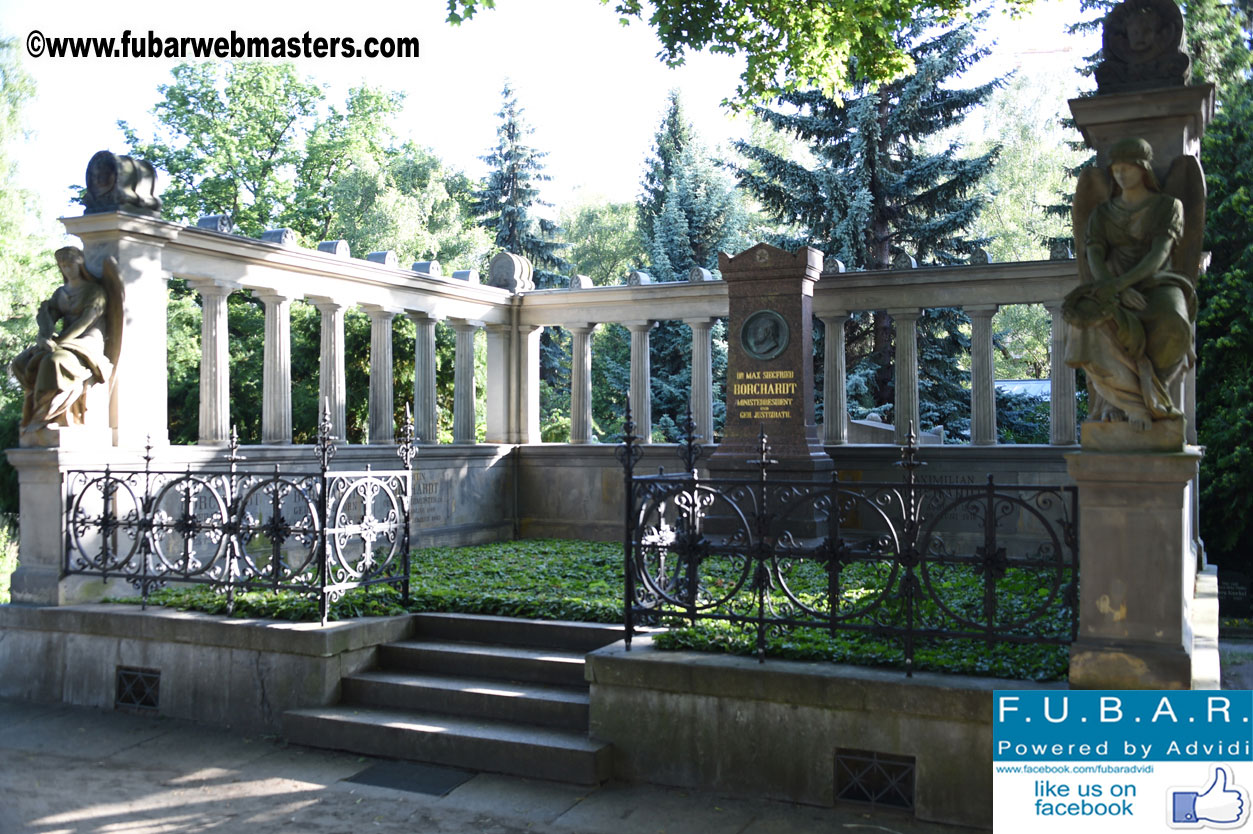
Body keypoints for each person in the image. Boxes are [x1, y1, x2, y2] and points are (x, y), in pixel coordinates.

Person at [1063, 137, 1195, 431]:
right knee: (1085, 323)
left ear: (1144, 169)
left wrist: (1123, 285)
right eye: (1116, 169)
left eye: (1128, 167)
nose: (1121, 174)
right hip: (1110, 282)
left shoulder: (1167, 205)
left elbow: (1159, 254)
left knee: (1173, 322)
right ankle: (1124, 402)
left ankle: (1154, 397)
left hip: (1157, 280)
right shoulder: (1101, 213)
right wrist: (1115, 288)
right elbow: (1093, 254)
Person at [10, 247, 116, 433]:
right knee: (21, 361)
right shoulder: (61, 292)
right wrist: (44, 336)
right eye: (63, 266)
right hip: (63, 341)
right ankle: (36, 413)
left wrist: (59, 342)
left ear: (80, 264)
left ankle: (47, 417)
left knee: (55, 361)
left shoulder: (94, 290)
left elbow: (85, 322)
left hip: (87, 341)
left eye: (71, 265)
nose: (67, 269)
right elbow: (47, 315)